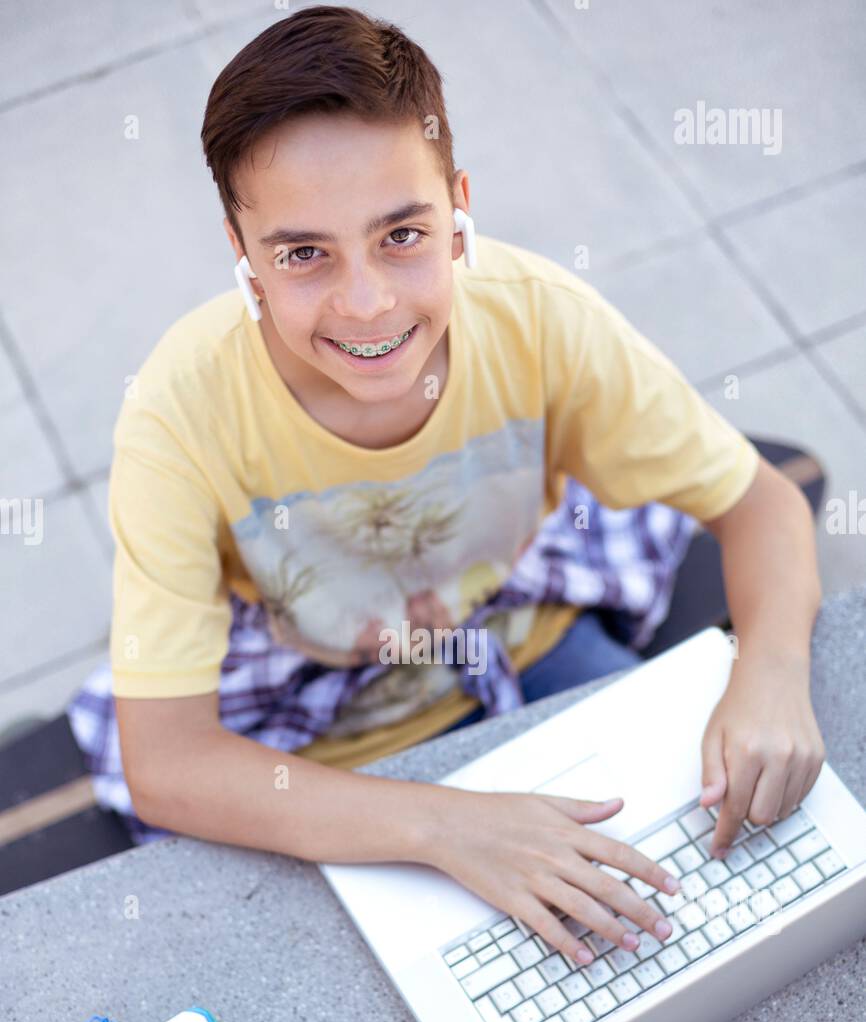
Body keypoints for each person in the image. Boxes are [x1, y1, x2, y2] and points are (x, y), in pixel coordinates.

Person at [67, 6, 824, 968]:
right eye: (304, 254)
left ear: (458, 209)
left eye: (402, 235)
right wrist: (447, 828)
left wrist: (770, 674)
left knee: (715, 908)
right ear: (243, 256)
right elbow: (169, 764)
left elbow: (759, 503)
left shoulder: (540, 316)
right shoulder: (178, 412)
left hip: (521, 626)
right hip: (325, 709)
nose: (369, 303)